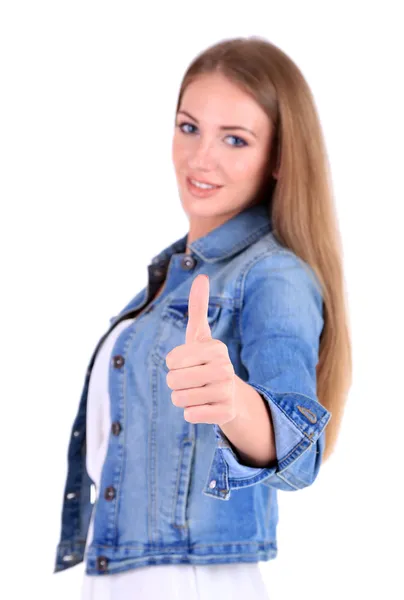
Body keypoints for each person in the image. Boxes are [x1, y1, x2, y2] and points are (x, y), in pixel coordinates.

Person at [54, 36, 352, 599]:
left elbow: (299, 450)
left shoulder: (273, 275)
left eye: (235, 139)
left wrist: (234, 401)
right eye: (189, 127)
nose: (200, 158)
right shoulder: (175, 277)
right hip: (121, 578)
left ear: (280, 160)